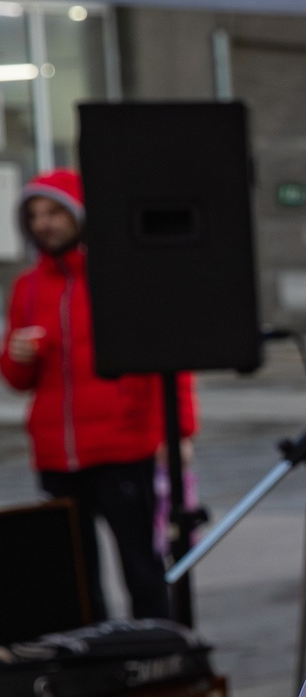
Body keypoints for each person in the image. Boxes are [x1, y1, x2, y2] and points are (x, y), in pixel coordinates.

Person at [3, 169, 195, 622]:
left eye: (53, 212)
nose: (43, 224)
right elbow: (17, 380)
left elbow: (171, 357)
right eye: (34, 215)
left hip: (123, 448)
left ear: (79, 214)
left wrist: (180, 429)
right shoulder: (27, 287)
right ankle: (91, 664)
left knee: (142, 569)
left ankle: (155, 653)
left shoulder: (120, 277)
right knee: (73, 578)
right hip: (55, 456)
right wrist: (17, 355)